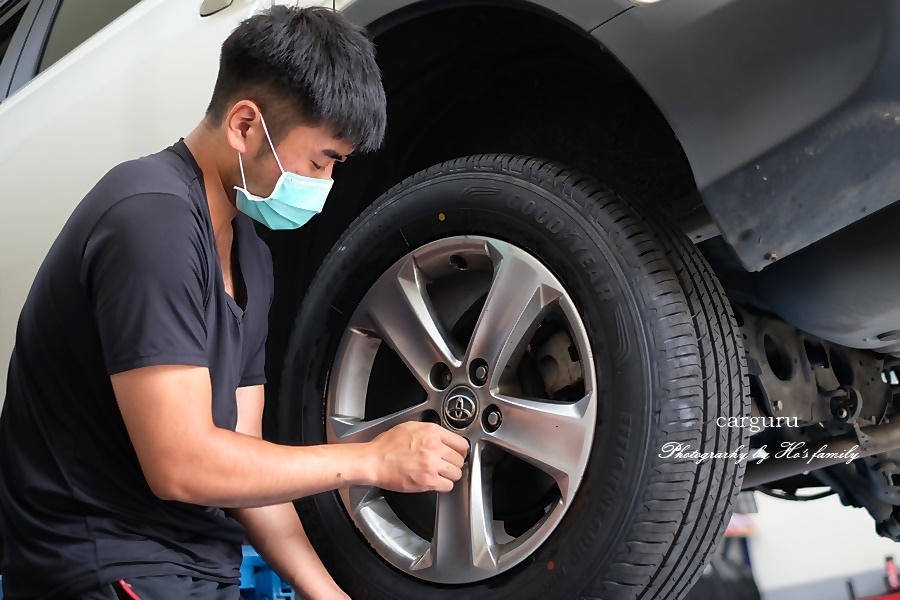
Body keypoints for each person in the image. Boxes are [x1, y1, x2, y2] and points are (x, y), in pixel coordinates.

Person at [0, 6, 468, 599]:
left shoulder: (250, 254)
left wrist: (327, 594)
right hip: (106, 566)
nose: (324, 183)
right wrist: (370, 460)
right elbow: (184, 463)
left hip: (197, 568)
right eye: (320, 160)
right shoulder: (150, 219)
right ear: (245, 126)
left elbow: (243, 466)